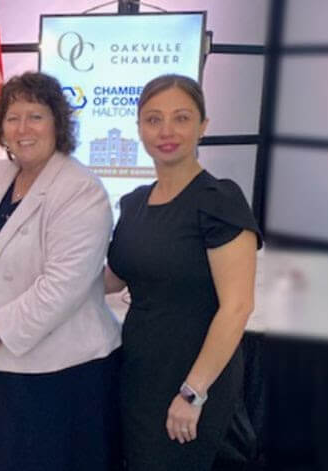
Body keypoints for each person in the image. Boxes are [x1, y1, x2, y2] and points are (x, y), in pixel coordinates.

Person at [0, 71, 122, 471]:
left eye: (35, 116)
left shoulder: (81, 188)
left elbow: (64, 286)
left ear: (58, 123)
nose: (23, 128)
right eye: (13, 117)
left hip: (57, 369)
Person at [105, 74, 262, 470]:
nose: (166, 131)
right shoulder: (135, 203)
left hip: (195, 377)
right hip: (141, 371)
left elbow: (237, 307)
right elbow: (114, 277)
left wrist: (193, 393)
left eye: (181, 118)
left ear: (203, 126)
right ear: (139, 127)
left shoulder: (219, 200)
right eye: (153, 119)